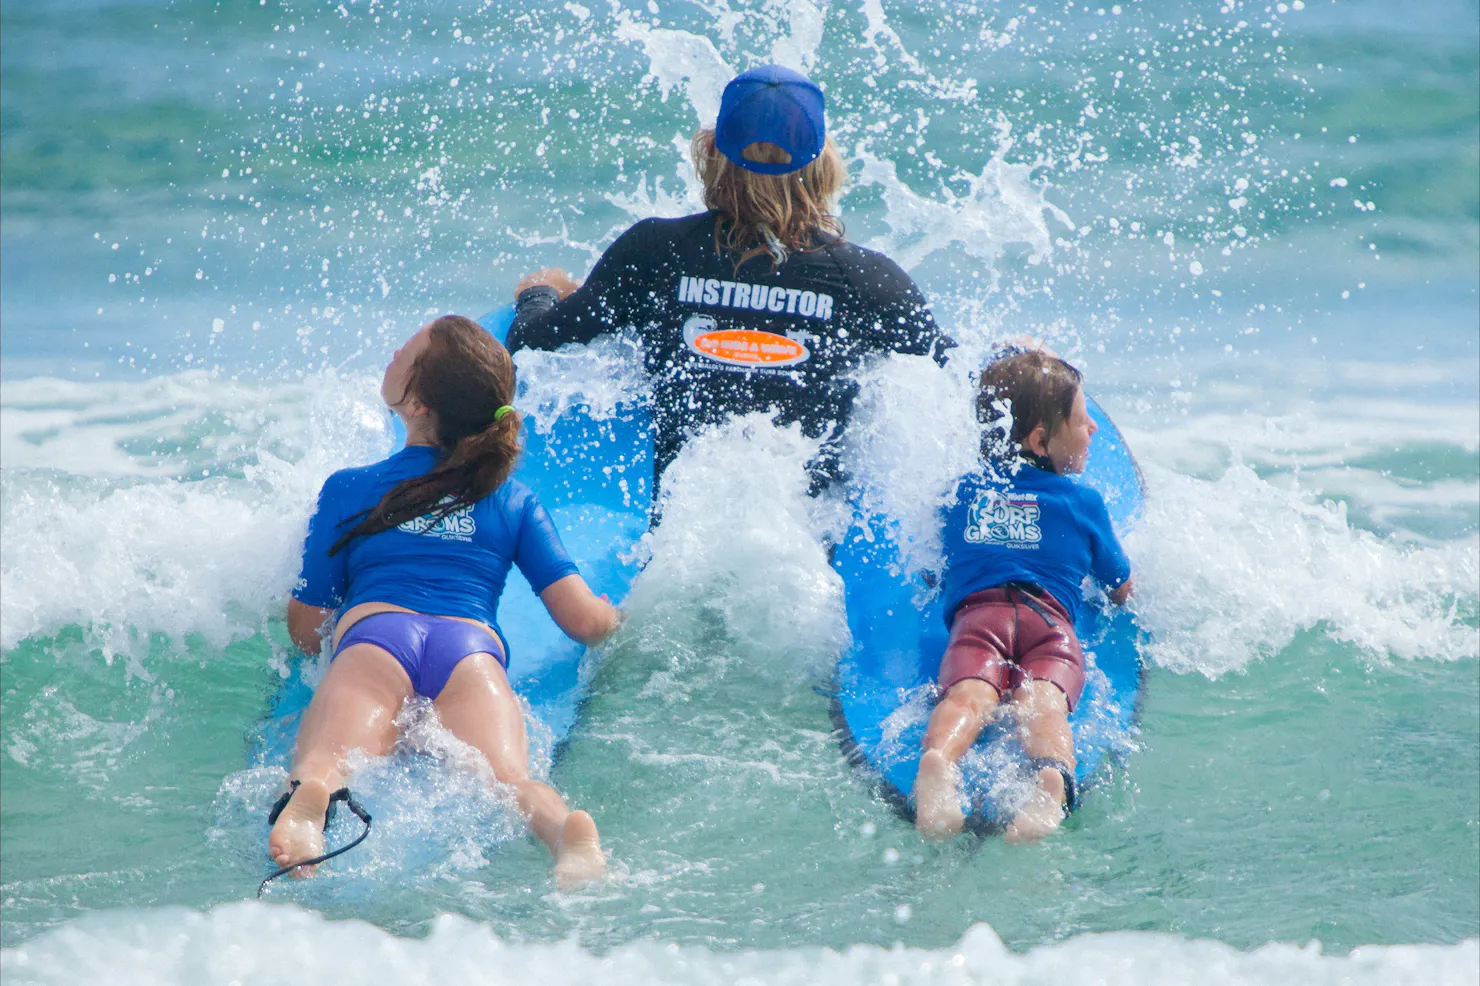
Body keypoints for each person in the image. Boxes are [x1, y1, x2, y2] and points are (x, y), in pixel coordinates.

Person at [271, 315, 621, 888]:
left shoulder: (349, 486)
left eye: (403, 353)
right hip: (469, 653)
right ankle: (566, 837)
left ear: (417, 405)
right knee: (509, 780)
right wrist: (620, 617)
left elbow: (306, 629)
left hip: (376, 640)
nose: (391, 352)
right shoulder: (513, 499)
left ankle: (311, 809)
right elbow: (584, 620)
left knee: (326, 761)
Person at [507, 64, 951, 498]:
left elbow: (532, 342)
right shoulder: (867, 279)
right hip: (807, 554)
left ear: (711, 151)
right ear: (825, 164)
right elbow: (956, 382)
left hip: (682, 542)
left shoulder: (653, 251)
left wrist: (538, 293)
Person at [912, 350, 1134, 842]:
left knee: (968, 696)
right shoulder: (1083, 503)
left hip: (979, 617)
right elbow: (1119, 587)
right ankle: (1050, 781)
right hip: (1048, 622)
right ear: (1040, 441)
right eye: (1081, 420)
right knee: (1042, 702)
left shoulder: (963, 492)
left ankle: (939, 762)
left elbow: (934, 572)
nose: (1093, 429)